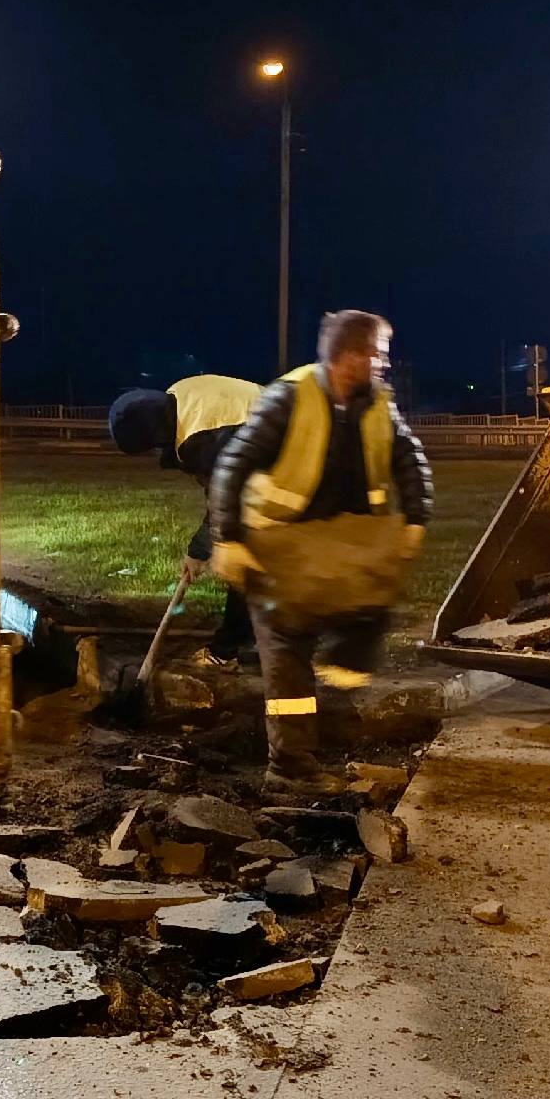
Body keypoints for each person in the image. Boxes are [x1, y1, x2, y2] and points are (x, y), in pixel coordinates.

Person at [207, 311, 432, 789]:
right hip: (279, 547)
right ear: (351, 356)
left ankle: (342, 667)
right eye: (379, 354)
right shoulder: (288, 398)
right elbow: (232, 465)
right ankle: (289, 769)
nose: (384, 364)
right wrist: (228, 539)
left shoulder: (378, 404)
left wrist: (416, 517)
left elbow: (409, 457)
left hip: (341, 548)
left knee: (373, 604)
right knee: (287, 656)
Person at [106, 373, 263, 661]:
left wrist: (198, 551)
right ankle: (244, 639)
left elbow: (227, 501)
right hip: (273, 442)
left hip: (293, 452)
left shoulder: (198, 439)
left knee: (248, 556)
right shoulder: (180, 395)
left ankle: (229, 649)